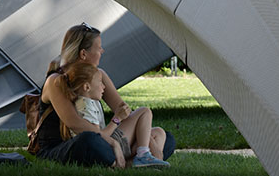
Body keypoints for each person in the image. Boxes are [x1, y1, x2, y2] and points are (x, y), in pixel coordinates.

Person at [34, 23, 175, 168]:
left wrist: (147, 145)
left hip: (100, 137)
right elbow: (76, 124)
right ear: (83, 54)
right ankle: (125, 161)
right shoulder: (56, 81)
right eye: (99, 47)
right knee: (89, 141)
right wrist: (113, 142)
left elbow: (125, 112)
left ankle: (137, 159)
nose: (102, 50)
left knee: (166, 138)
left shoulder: (99, 75)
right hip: (64, 146)